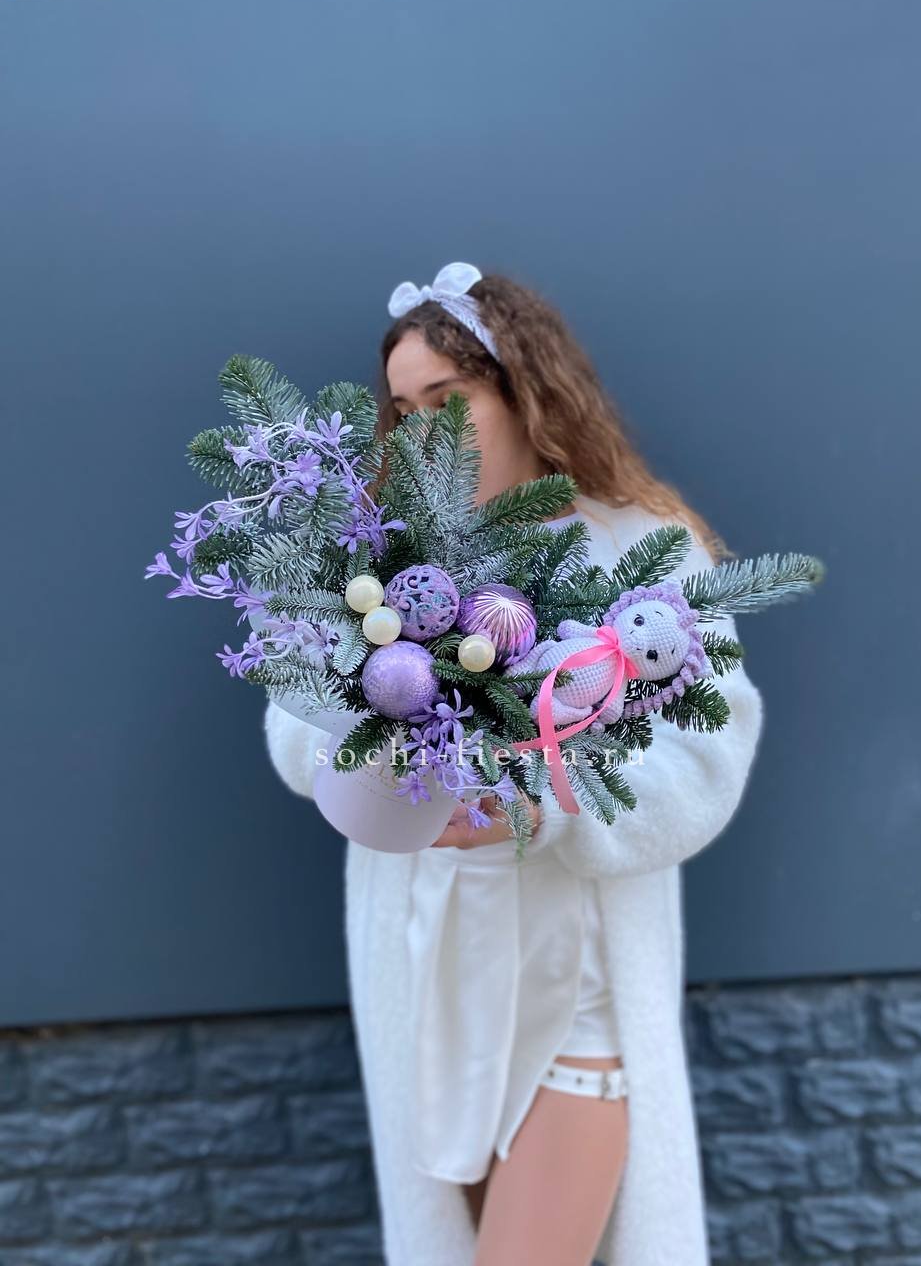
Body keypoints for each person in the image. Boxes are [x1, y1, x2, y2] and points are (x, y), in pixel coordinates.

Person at [263, 261, 765, 1266]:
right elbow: (294, 728)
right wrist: (371, 746)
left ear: (522, 390)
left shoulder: (642, 548)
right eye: (406, 409)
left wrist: (544, 804)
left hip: (574, 996)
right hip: (433, 988)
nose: (425, 429)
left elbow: (704, 760)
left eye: (448, 398)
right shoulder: (385, 557)